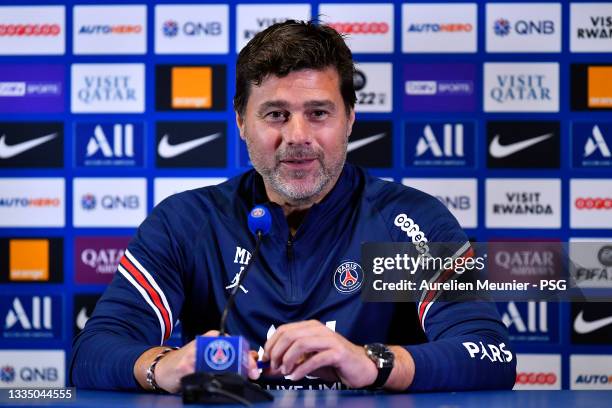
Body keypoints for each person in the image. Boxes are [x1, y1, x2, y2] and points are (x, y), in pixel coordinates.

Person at [70, 20, 516, 393]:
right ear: (242, 121)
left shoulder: (406, 221)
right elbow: (93, 352)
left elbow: (490, 353)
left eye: (319, 113)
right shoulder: (187, 221)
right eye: (276, 114)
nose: (298, 136)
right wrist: (160, 367)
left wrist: (373, 363)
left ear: (351, 120)